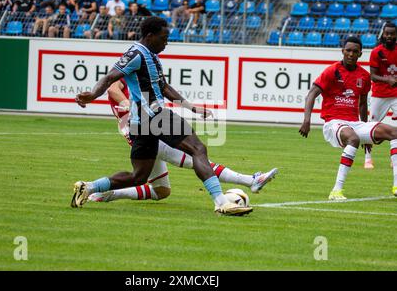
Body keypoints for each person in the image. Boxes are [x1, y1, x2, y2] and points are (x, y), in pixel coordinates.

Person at [72, 16, 252, 215]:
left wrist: (191, 107)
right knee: (198, 149)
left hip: (140, 123)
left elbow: (164, 87)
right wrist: (93, 95)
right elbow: (110, 78)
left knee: (138, 177)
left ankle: (88, 187)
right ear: (150, 36)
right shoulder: (136, 54)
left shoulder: (152, 56)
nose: (167, 43)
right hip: (155, 116)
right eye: (163, 38)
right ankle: (221, 203)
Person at [87, 76, 278, 203]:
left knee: (161, 191)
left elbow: (164, 89)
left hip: (146, 136)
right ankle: (250, 181)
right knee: (198, 158)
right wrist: (129, 104)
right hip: (148, 135)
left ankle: (108, 193)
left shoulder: (141, 79)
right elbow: (113, 89)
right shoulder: (129, 72)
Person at [299, 36, 397, 200]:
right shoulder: (332, 71)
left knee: (394, 132)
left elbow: (363, 104)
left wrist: (367, 132)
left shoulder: (364, 76)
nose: (351, 54)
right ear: (342, 51)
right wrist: (306, 120)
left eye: (355, 51)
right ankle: (336, 191)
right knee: (353, 138)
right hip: (333, 123)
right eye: (348, 50)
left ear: (360, 54)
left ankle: (396, 185)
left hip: (355, 123)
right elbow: (311, 94)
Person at [364, 22, 397, 169]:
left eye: (392, 33)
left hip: (396, 95)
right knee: (371, 127)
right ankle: (368, 158)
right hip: (379, 95)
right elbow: (373, 76)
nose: (389, 36)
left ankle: (394, 158)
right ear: (383, 34)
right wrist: (388, 80)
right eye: (387, 33)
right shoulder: (376, 52)